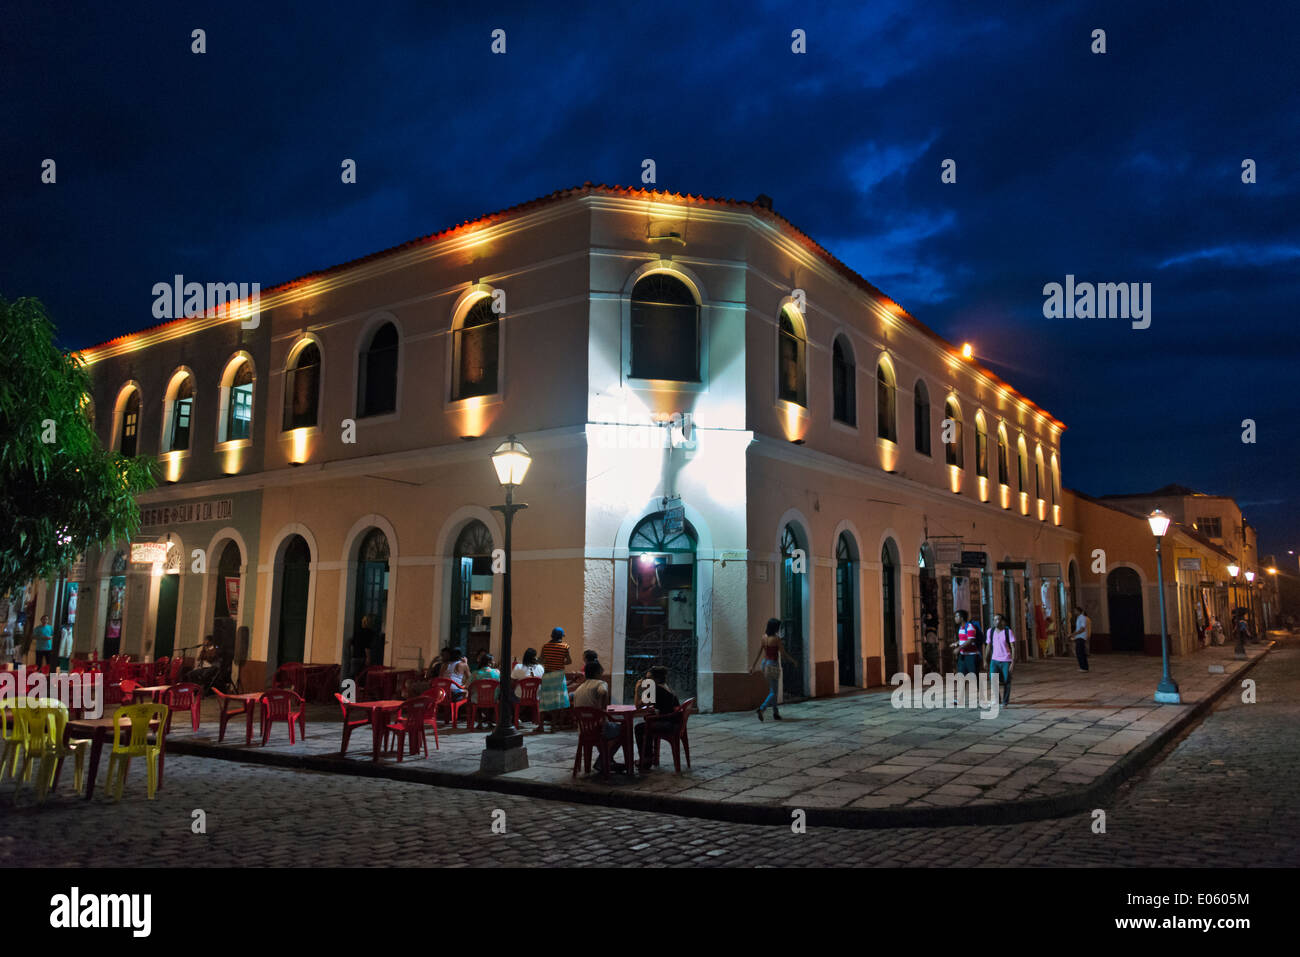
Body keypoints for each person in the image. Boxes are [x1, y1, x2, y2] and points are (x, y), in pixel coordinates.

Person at [572, 659, 623, 773]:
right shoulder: (600, 683)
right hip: (598, 729)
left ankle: (607, 761)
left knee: (610, 730)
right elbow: (603, 692)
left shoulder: (579, 688)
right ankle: (603, 761)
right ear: (596, 673)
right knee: (624, 729)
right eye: (601, 672)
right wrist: (602, 708)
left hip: (584, 731)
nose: (602, 675)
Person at [634, 666, 681, 769]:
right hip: (673, 722)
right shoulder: (665, 686)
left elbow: (637, 706)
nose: (646, 680)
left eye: (648, 678)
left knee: (639, 728)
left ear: (656, 679)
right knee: (646, 723)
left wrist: (637, 689)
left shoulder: (654, 689)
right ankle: (648, 757)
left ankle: (646, 759)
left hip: (668, 724)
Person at [751, 617, 794, 721]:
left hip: (764, 664)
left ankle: (776, 713)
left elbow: (759, 652)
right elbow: (783, 654)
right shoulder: (776, 639)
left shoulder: (764, 637)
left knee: (772, 689)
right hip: (773, 665)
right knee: (774, 692)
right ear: (775, 628)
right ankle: (762, 708)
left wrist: (753, 665)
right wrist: (793, 661)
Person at [538, 627, 572, 730]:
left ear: (552, 636)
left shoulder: (545, 646)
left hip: (547, 675)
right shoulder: (565, 646)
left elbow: (541, 660)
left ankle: (541, 726)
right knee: (557, 701)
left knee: (544, 700)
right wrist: (561, 662)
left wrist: (548, 662)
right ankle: (553, 726)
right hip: (558, 676)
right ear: (561, 636)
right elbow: (569, 661)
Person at [951, 609, 981, 705]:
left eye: (957, 616)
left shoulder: (970, 626)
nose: (955, 618)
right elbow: (963, 640)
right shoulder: (961, 627)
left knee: (974, 677)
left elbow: (970, 640)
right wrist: (956, 644)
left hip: (971, 657)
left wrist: (959, 648)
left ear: (962, 618)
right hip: (963, 656)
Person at [986, 614, 1016, 707]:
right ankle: (996, 699)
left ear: (1003, 621)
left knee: (1007, 681)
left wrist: (1012, 662)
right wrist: (985, 659)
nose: (996, 621)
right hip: (994, 660)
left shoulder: (1008, 631)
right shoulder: (990, 631)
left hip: (1006, 660)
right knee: (993, 679)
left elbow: (1013, 646)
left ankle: (1005, 701)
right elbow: (988, 646)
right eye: (994, 620)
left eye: (998, 619)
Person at [350, 615, 376, 683]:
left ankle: (351, 691)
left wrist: (351, 655)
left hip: (355, 656)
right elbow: (367, 646)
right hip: (362, 656)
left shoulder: (357, 631)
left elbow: (352, 644)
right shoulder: (370, 633)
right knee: (362, 676)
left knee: (353, 676)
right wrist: (368, 658)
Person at [1069, 605, 1091, 672]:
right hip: (1079, 637)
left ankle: (1084, 667)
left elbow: (1082, 628)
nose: (1074, 612)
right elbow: (1078, 628)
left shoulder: (1082, 618)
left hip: (1081, 637)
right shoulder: (1079, 618)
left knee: (1080, 653)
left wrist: (1074, 634)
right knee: (1080, 652)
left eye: (1075, 611)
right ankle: (1084, 667)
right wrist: (1072, 634)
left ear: (1078, 611)